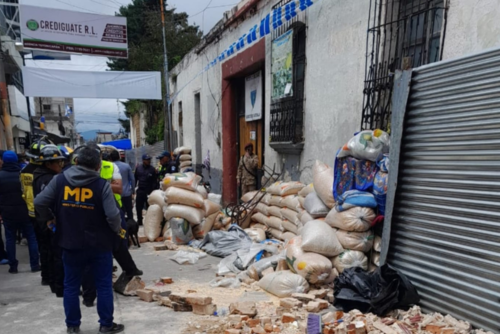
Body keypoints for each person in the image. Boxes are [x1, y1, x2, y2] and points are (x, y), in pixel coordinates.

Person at [34, 145, 125, 334]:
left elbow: (39, 202)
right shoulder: (101, 186)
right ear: (98, 165)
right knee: (103, 285)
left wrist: (50, 219)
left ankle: (73, 326)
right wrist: (116, 231)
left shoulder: (59, 181)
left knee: (71, 285)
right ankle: (106, 324)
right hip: (99, 244)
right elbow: (113, 216)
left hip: (69, 242)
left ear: (76, 162)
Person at [33, 145, 66, 296]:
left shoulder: (38, 176)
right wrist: (50, 218)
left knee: (46, 251)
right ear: (47, 164)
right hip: (49, 221)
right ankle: (59, 286)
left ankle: (48, 279)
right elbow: (42, 202)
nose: (60, 165)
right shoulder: (51, 179)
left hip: (40, 220)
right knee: (57, 255)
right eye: (57, 162)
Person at [0, 151, 40, 274]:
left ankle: (13, 266)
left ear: (4, 161)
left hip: (7, 211)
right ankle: (34, 265)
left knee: (10, 238)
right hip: (25, 210)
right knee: (31, 237)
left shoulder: (1, 175)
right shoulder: (22, 174)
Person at [22, 140, 48, 284]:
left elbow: (23, 192)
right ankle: (46, 273)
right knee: (46, 245)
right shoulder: (43, 174)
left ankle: (44, 274)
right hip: (43, 213)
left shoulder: (23, 171)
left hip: (30, 211)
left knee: (38, 242)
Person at [109, 150, 135, 221]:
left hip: (115, 195)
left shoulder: (110, 167)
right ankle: (131, 228)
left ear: (110, 158)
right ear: (119, 157)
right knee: (129, 212)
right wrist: (133, 190)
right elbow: (132, 179)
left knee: (119, 213)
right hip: (126, 193)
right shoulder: (126, 166)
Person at [134, 154, 157, 226]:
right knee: (138, 207)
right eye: (147, 160)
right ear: (143, 160)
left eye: (149, 159)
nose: (149, 161)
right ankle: (139, 221)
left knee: (149, 208)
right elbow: (135, 179)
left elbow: (155, 181)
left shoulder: (152, 169)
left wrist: (153, 191)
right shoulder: (138, 168)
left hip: (149, 191)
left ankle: (149, 222)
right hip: (140, 190)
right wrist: (133, 190)